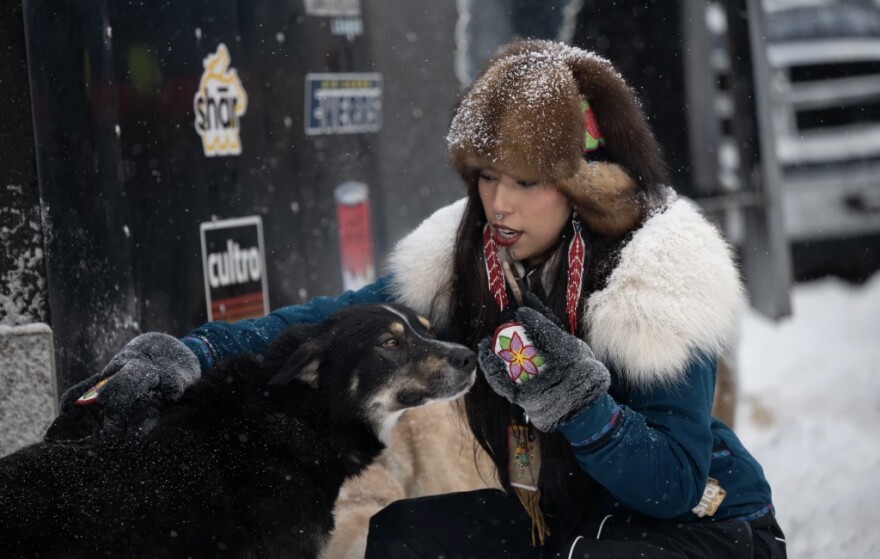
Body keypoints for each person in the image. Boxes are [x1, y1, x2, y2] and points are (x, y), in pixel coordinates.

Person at [47, 40, 786, 558]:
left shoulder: (656, 281)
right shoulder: (471, 260)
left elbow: (674, 483)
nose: (498, 202)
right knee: (407, 538)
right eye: (486, 177)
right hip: (566, 523)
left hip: (710, 530)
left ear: (584, 183)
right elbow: (332, 326)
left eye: (526, 181)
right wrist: (191, 351)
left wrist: (582, 405)